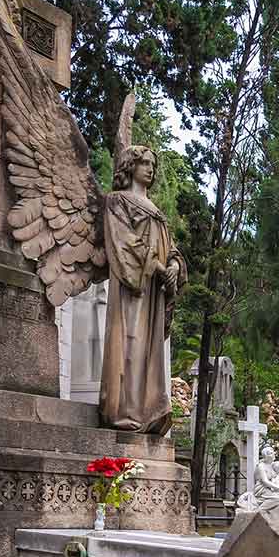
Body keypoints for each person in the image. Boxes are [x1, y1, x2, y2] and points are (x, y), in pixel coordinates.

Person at [98, 145, 187, 433]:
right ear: (130, 166)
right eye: (144, 163)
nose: (150, 168)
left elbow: (170, 248)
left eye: (153, 164)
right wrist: (159, 267)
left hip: (155, 291)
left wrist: (174, 265)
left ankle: (150, 410)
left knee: (150, 352)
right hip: (132, 289)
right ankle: (125, 411)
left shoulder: (157, 211)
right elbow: (123, 241)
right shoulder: (117, 201)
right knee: (130, 345)